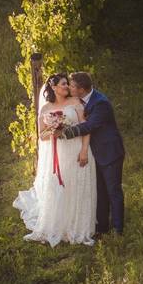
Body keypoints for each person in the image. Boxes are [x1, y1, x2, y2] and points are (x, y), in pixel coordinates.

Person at [13, 73, 97, 246]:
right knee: (62, 189)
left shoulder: (76, 103)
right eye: (64, 84)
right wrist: (53, 128)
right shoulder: (45, 109)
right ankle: (62, 225)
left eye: (68, 84)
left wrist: (84, 151)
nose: (67, 87)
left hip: (76, 150)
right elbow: (41, 136)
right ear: (54, 87)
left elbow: (86, 128)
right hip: (59, 154)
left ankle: (77, 226)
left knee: (77, 186)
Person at [56, 71, 126, 236]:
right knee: (100, 192)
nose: (69, 87)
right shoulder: (80, 99)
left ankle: (118, 229)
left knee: (113, 191)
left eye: (72, 85)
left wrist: (65, 134)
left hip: (110, 153)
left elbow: (90, 126)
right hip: (96, 153)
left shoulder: (101, 103)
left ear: (81, 89)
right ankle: (102, 227)